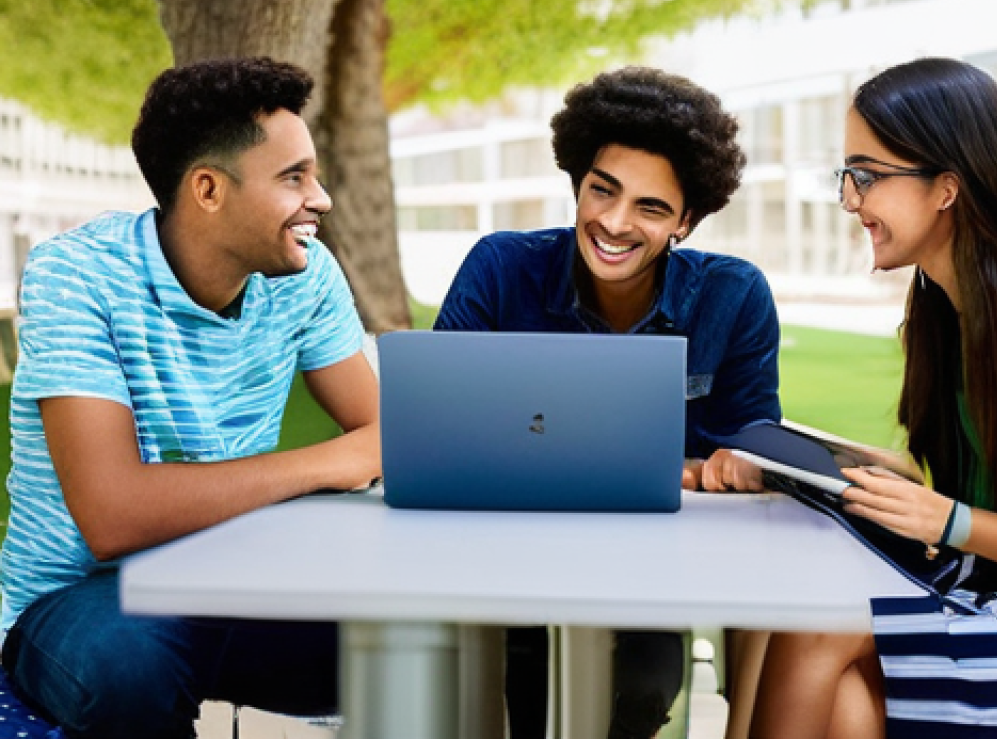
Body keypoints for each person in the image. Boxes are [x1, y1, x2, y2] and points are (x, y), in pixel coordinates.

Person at [0, 58, 381, 739]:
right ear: (208, 188)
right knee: (129, 668)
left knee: (442, 632)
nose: (319, 199)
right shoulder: (75, 275)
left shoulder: (305, 275)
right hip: (84, 600)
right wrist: (323, 464)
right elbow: (112, 515)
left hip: (235, 581)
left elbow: (379, 433)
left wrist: (355, 455)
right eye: (294, 178)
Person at [435, 65, 781, 739]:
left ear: (686, 219)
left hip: (651, 572)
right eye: (602, 191)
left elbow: (748, 460)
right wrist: (675, 468)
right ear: (577, 183)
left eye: (650, 208)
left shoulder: (732, 297)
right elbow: (442, 432)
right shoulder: (502, 268)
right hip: (509, 562)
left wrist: (726, 464)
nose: (614, 223)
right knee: (514, 686)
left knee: (641, 691)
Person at [750, 57, 997, 739]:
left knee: (818, 630)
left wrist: (946, 520)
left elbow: (952, 514)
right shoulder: (940, 308)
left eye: (866, 176)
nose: (849, 200)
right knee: (847, 705)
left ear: (947, 187)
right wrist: (804, 459)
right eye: (847, 175)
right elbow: (952, 482)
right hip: (981, 586)